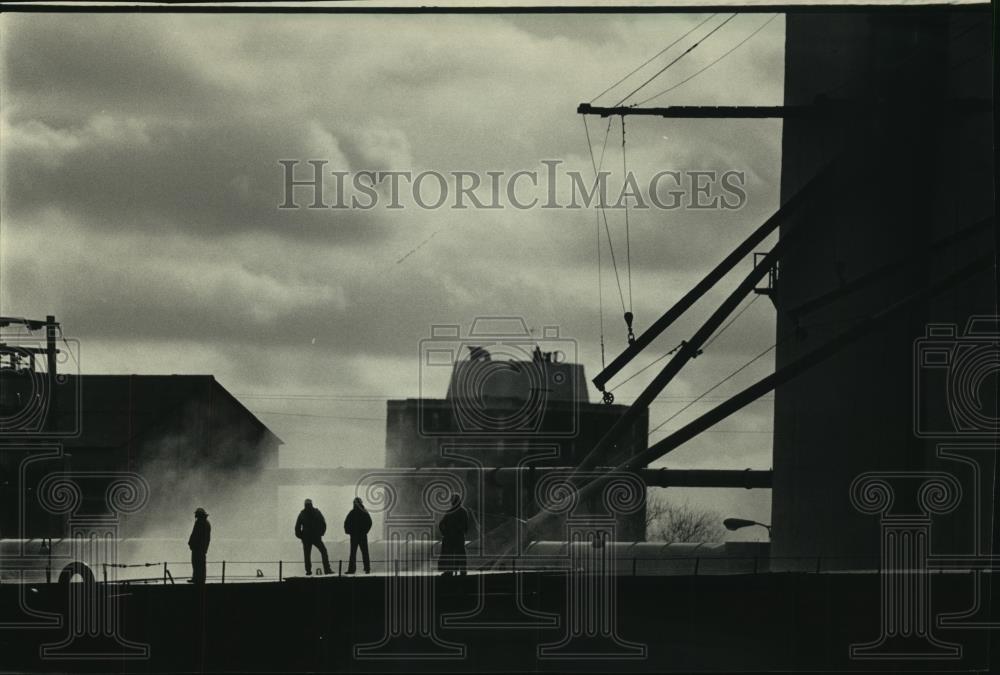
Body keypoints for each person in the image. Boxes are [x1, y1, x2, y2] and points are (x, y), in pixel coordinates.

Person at [295, 498, 332, 575]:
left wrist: (301, 536)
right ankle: (327, 569)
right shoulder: (317, 512)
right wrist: (321, 533)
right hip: (316, 537)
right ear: (312, 504)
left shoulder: (302, 514)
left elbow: (297, 527)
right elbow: (323, 523)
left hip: (306, 538)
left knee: (307, 555)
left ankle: (308, 571)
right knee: (323, 551)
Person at [438, 494, 469, 576]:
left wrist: (445, 532)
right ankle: (455, 571)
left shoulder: (455, 512)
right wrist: (445, 532)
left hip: (455, 537)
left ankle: (452, 571)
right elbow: (441, 524)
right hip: (455, 537)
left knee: (454, 554)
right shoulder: (461, 512)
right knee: (456, 554)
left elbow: (441, 524)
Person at [343, 497, 372, 574]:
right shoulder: (364, 512)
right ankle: (367, 568)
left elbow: (346, 523)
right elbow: (369, 523)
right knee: (365, 552)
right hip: (362, 535)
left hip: (354, 536)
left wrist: (349, 532)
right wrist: (365, 531)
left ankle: (351, 570)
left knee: (353, 553)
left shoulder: (352, 513)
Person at [188, 507, 211, 584]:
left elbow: (197, 535)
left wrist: (192, 543)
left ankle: (199, 579)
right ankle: (197, 578)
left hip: (199, 548)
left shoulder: (202, 523)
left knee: (198, 563)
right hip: (199, 548)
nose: (196, 516)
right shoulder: (203, 523)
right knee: (197, 563)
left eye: (197, 514)